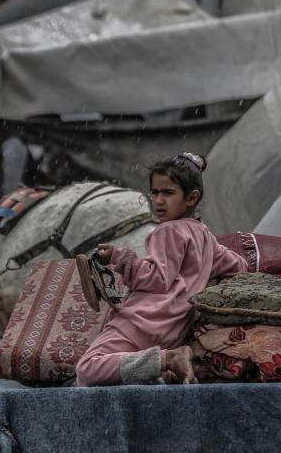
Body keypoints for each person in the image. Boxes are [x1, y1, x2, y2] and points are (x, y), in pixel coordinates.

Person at [75, 153, 248, 387]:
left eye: (168, 193)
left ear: (192, 198)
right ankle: (161, 367)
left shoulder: (167, 231)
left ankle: (169, 359)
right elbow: (239, 266)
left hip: (143, 320)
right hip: (173, 327)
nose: (158, 201)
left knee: (88, 369)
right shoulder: (205, 236)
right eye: (154, 193)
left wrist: (118, 256)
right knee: (126, 369)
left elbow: (157, 278)